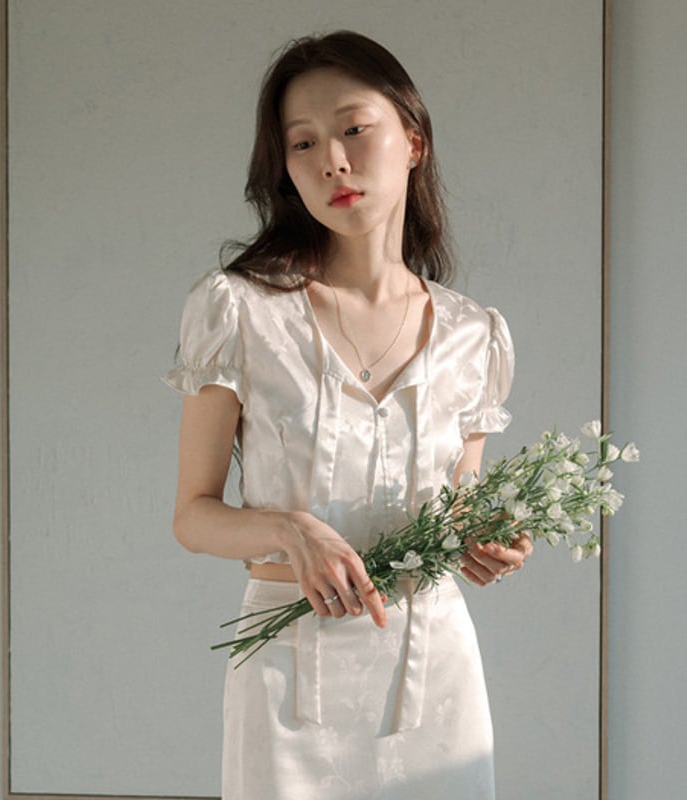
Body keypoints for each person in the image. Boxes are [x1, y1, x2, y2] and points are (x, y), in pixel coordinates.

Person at [163, 30, 533, 800]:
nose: (331, 160)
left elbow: (457, 506)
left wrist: (489, 536)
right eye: (303, 143)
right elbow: (193, 516)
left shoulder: (474, 334)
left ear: (414, 141)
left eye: (353, 129)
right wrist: (288, 529)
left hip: (433, 677)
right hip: (288, 677)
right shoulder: (240, 312)